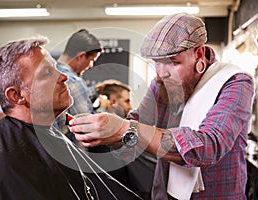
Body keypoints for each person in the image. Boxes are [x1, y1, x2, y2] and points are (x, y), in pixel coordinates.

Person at [68, 13, 255, 199]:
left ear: (198, 54)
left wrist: (125, 129)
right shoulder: (162, 83)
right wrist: (107, 133)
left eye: (172, 62)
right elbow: (135, 131)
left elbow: (208, 146)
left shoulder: (234, 82)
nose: (162, 73)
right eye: (157, 62)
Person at [0, 36, 141, 200]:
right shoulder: (6, 173)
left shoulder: (47, 134)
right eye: (47, 73)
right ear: (16, 95)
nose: (63, 77)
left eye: (55, 69)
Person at [55, 29, 102, 139]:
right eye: (92, 60)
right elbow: (88, 128)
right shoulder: (74, 82)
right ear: (81, 56)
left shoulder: (46, 74)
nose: (91, 65)